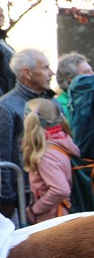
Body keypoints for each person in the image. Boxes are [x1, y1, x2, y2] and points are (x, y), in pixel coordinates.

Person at [0, 49, 54, 216]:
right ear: (27, 73)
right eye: (45, 68)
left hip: (56, 190)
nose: (51, 73)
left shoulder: (53, 103)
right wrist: (7, 199)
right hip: (25, 199)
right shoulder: (6, 106)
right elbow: (2, 157)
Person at [21, 98, 79, 224]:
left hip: (53, 218)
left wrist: (35, 210)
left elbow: (61, 189)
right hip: (62, 215)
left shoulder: (45, 155)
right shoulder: (63, 140)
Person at [54, 53, 93, 120]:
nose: (93, 74)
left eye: (91, 70)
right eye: (86, 72)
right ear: (71, 79)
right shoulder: (59, 107)